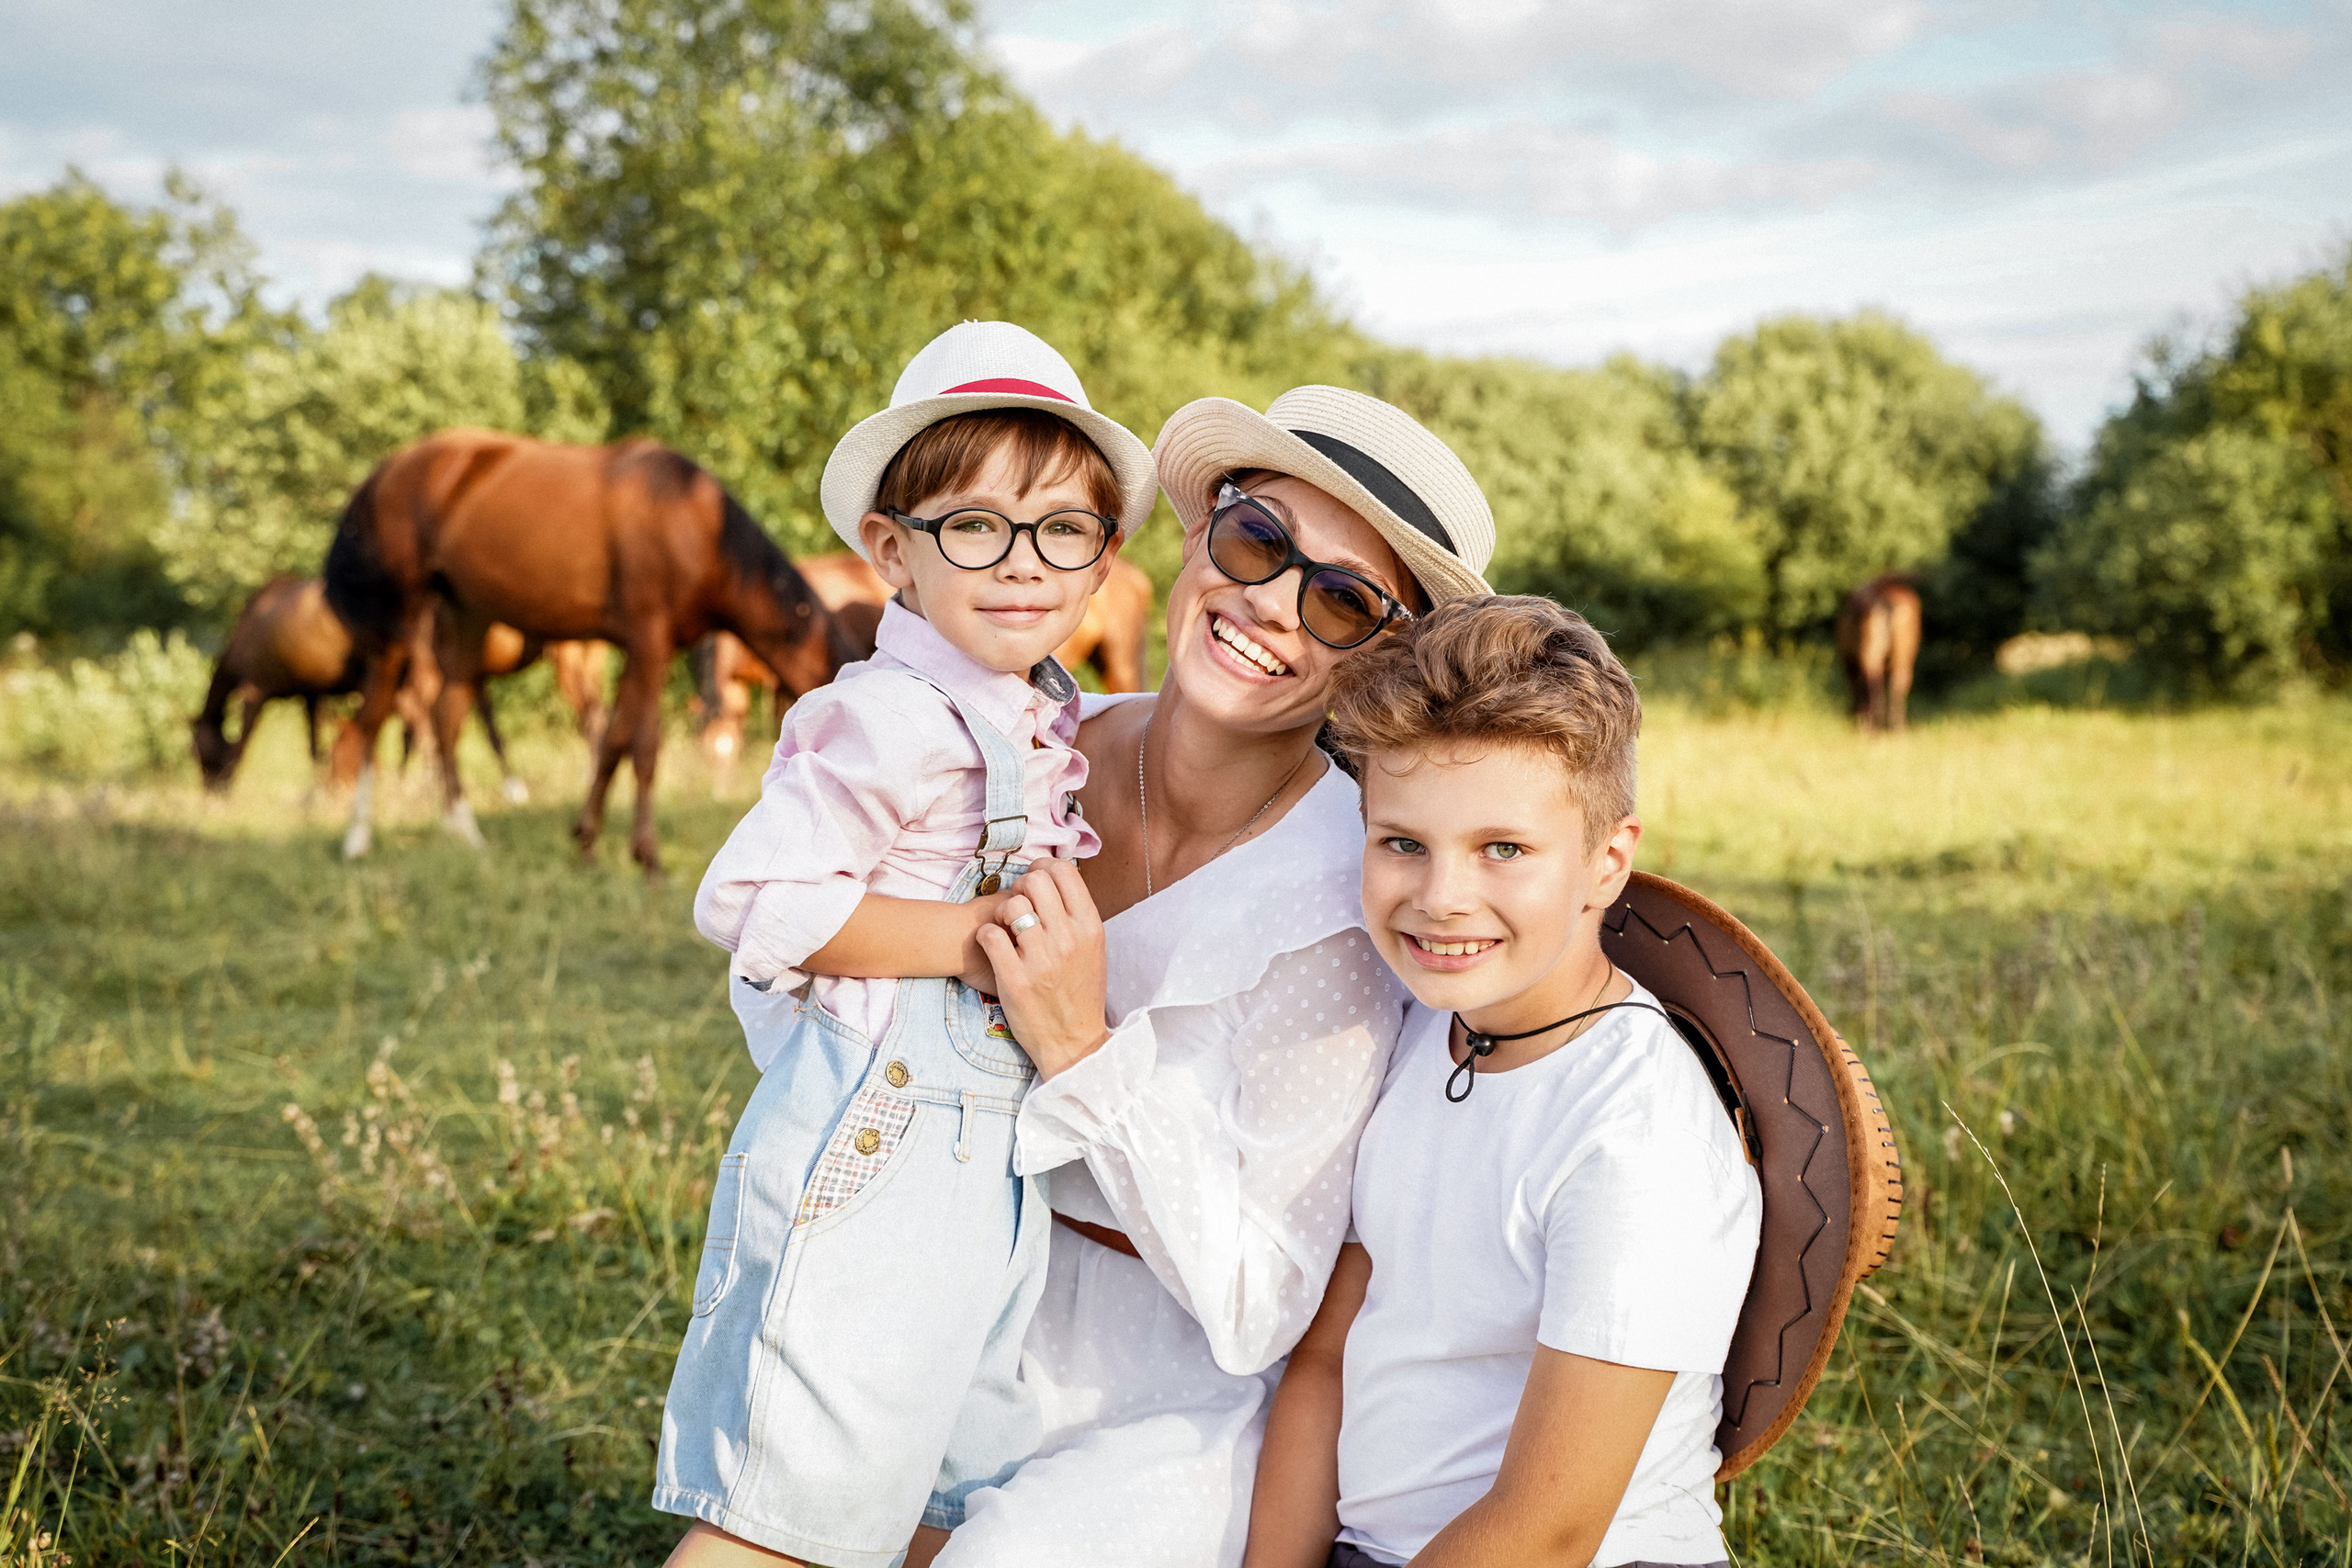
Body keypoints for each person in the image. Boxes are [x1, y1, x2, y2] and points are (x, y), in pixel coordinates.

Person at [903, 387, 1504, 1568]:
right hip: (937, 1290)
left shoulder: (1343, 895)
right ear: (1199, 535)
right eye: (1257, 540)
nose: (1270, 606)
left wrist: (1083, 1047)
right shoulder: (1026, 749)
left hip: (1155, 1392)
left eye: (1341, 601)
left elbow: (1259, 1306)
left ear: (1383, 659)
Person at [655, 321, 1159, 1568]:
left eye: (1062, 530)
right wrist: (978, 935)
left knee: (941, 1487)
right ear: (891, 549)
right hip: (872, 1163)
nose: (1022, 563)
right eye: (974, 526)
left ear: (1103, 557)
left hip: (982, 1179)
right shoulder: (887, 714)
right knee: (787, 1514)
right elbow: (754, 899)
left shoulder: (1029, 709)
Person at [1244, 595, 1764, 1568]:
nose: (1441, 899)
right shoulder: (1422, 1026)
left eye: (1503, 850)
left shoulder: (1636, 1134)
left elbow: (1547, 1527)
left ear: (1605, 861)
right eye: (1403, 842)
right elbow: (1323, 1361)